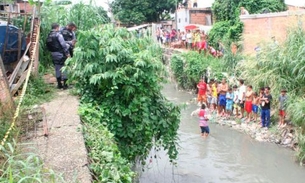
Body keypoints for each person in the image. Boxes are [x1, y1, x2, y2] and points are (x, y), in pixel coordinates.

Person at [46, 23, 70, 89]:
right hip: (60, 54)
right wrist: (67, 53)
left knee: (57, 68)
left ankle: (59, 85)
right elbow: (63, 45)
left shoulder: (49, 35)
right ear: (57, 27)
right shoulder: (58, 35)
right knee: (64, 68)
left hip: (53, 54)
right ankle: (65, 85)